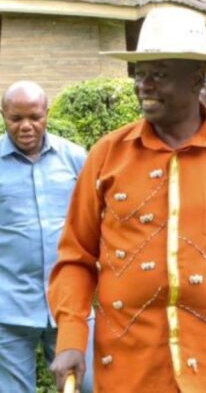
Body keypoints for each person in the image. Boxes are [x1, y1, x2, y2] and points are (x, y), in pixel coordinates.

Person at [47, 7, 206, 393]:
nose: (143, 85)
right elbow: (75, 258)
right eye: (139, 73)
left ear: (197, 76)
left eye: (160, 73)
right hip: (130, 372)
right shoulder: (106, 155)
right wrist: (70, 338)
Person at [0, 81, 94, 393]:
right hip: (9, 306)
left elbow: (96, 223)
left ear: (46, 114)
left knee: (89, 385)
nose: (26, 126)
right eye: (16, 119)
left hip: (70, 306)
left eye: (34, 117)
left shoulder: (76, 159)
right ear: (3, 116)